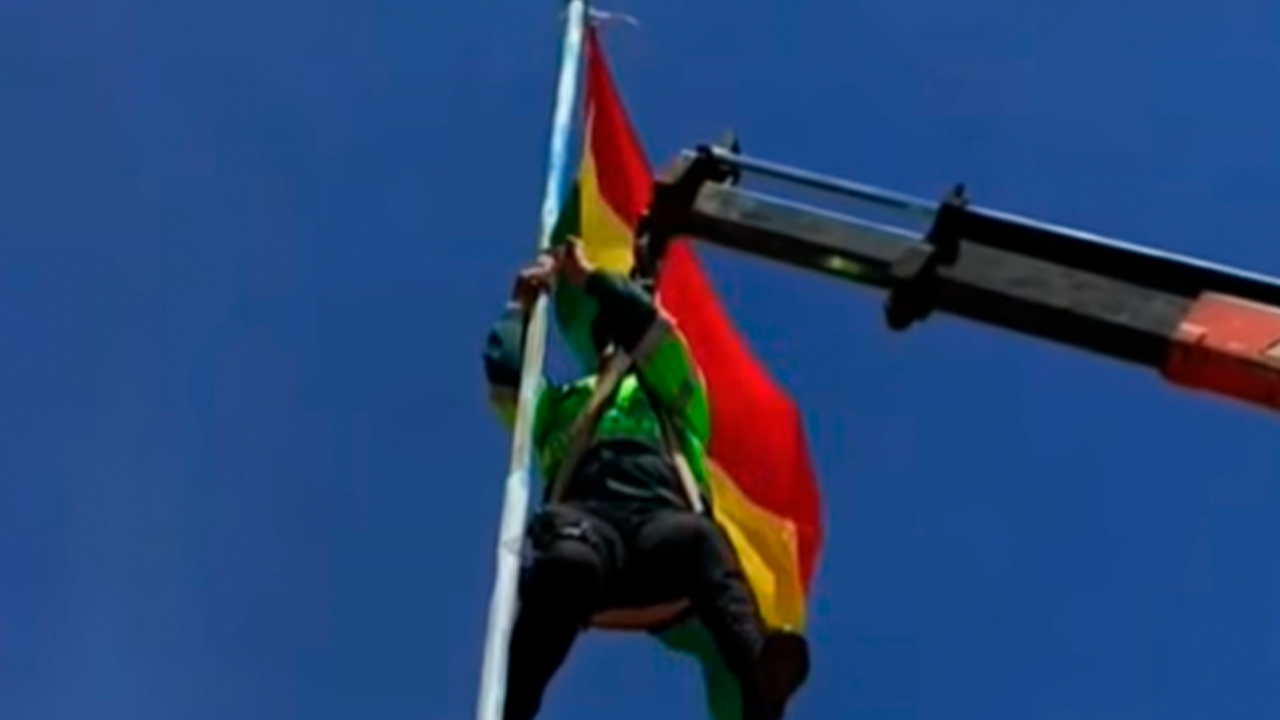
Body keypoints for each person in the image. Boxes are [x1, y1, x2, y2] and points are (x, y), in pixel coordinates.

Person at [483, 240, 810, 720]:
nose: (620, 346)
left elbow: (649, 330)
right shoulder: (566, 404)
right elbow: (509, 383)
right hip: (590, 532)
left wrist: (591, 279)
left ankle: (759, 680)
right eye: (610, 338)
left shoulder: (674, 388)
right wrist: (520, 310)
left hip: (660, 536)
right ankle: (511, 707)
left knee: (696, 537)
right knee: (568, 562)